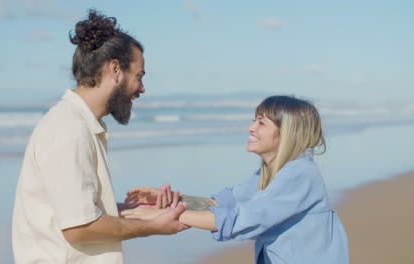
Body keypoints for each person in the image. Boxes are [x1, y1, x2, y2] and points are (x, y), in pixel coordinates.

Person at [12, 10, 188, 264]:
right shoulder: (68, 129)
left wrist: (143, 212)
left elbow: (81, 210)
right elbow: (78, 227)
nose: (142, 88)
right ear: (115, 69)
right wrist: (153, 228)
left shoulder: (82, 124)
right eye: (138, 76)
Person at [122, 96, 350, 264]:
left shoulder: (300, 175)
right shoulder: (272, 173)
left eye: (262, 122)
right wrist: (172, 200)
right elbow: (224, 204)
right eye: (254, 120)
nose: (251, 127)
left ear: (287, 133)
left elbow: (241, 221)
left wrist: (166, 216)